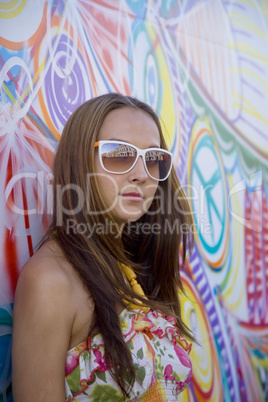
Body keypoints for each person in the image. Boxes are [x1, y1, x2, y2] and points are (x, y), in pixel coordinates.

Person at [12, 93, 194, 401]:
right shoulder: (50, 281)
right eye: (119, 154)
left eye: (153, 158)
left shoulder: (134, 266)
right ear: (80, 161)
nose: (140, 174)